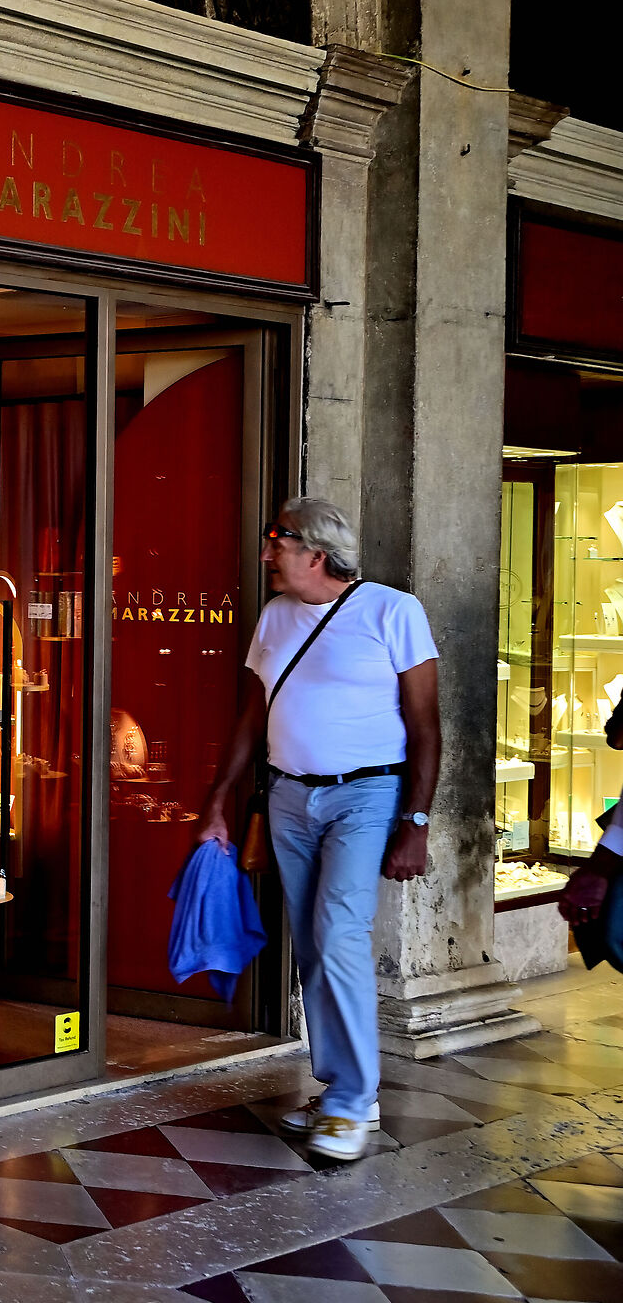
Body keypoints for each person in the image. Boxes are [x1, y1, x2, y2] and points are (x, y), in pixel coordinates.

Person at [197, 496, 439, 1163]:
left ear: (317, 554)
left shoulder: (394, 612)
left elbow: (426, 728)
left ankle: (357, 1101)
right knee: (311, 943)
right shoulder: (275, 617)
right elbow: (251, 717)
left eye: (277, 541)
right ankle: (336, 1090)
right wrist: (219, 800)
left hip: (366, 796)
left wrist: (416, 823)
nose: (267, 554)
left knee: (338, 934)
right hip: (288, 799)